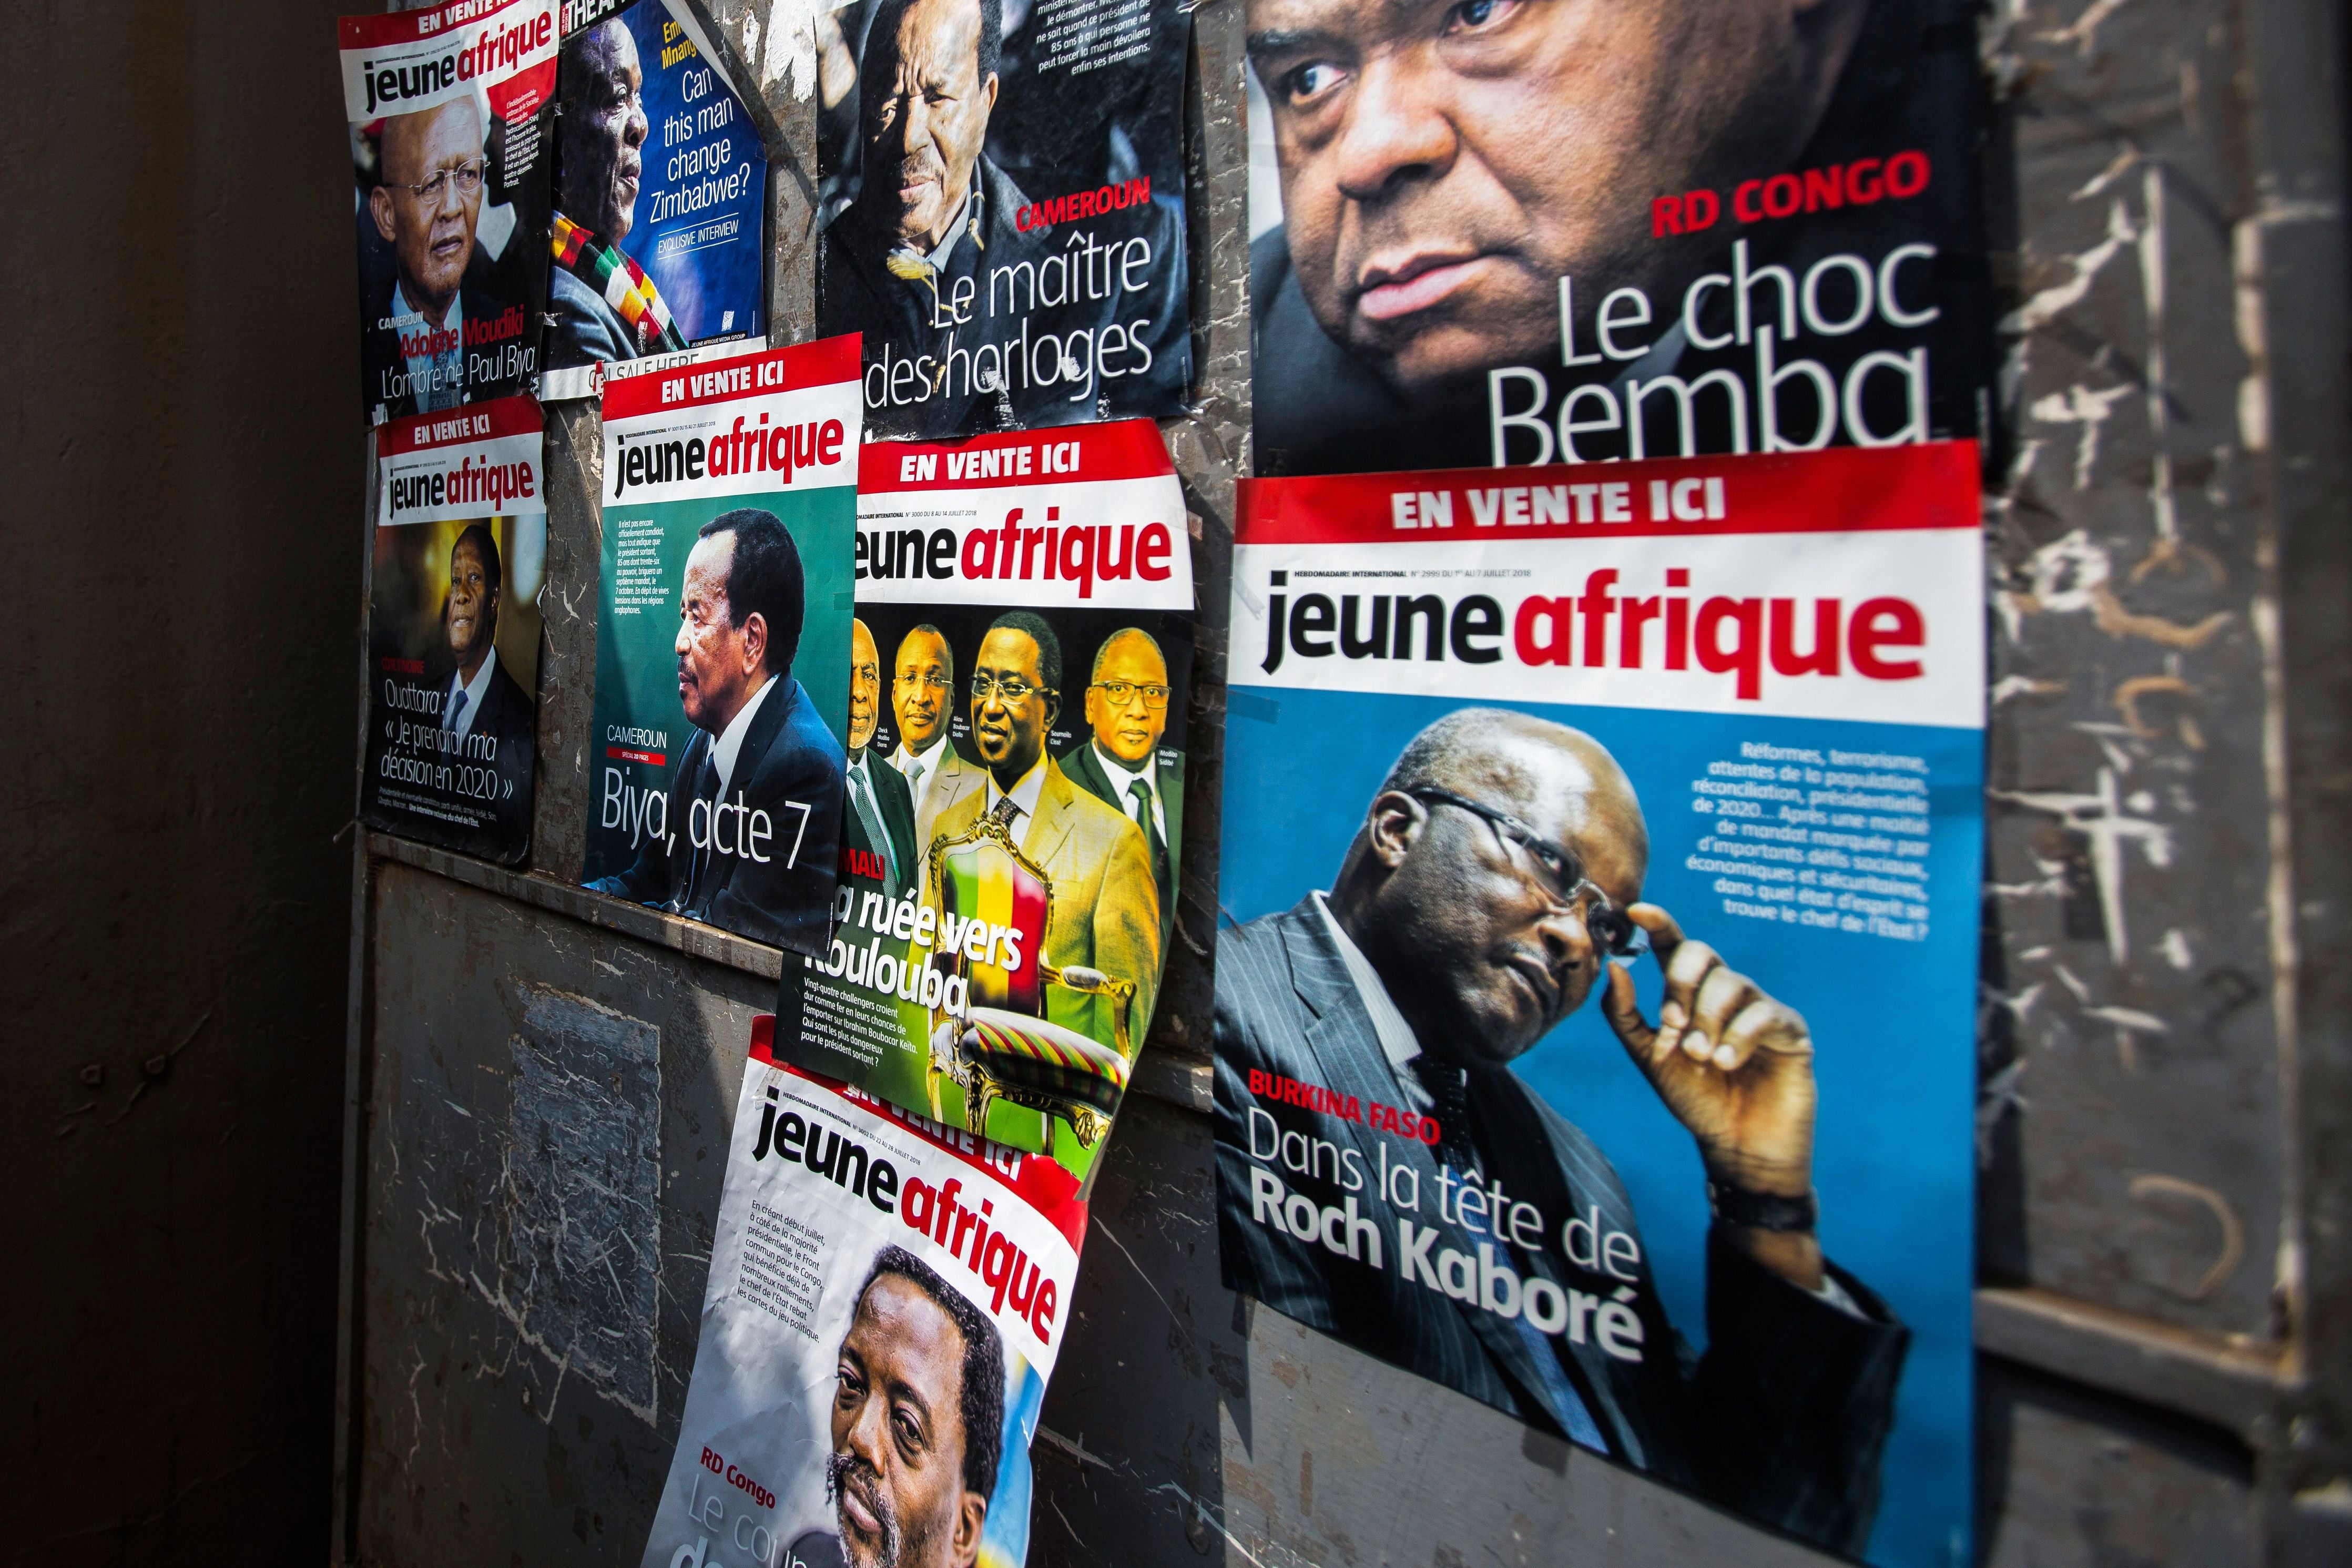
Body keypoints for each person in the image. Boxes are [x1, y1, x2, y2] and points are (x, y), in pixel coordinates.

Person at [1214, 708, 1906, 1555]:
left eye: (1609, 924)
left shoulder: (1577, 1174)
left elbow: (1769, 1520)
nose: (1579, 939)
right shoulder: (1237, 1020)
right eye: (1550, 865)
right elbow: (1301, 1474)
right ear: (1397, 829)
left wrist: (1764, 1199)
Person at [1247, 0, 1977, 473]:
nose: (1367, 154)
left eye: (1481, 11)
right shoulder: (1267, 356)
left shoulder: (2001, 264)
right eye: (1308, 78)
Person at [817, 0, 1186, 435]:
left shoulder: (1133, 247)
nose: (908, 138)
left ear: (985, 101)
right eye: (887, 104)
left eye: (937, 98)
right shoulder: (821, 282)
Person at [586, 510, 845, 953]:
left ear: (752, 642)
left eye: (697, 616)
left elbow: (726, 937)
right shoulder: (705, 743)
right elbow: (649, 877)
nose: (679, 641)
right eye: (682, 615)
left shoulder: (807, 769)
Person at [925, 613, 1160, 1046]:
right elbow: (922, 982)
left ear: (1050, 710)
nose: (991, 705)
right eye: (982, 684)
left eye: (1012, 688)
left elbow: (1122, 1040)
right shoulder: (949, 827)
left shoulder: (1115, 844)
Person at [786, 1246, 1003, 1568]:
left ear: (965, 1530)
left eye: (907, 1426)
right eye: (851, 1383)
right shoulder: (809, 1557)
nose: (860, 1436)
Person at [549, 17, 688, 370]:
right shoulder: (570, 310)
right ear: (560, 136)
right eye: (617, 98)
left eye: (637, 96)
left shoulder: (621, 285)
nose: (641, 125)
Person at [360, 97, 502, 418]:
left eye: (467, 175)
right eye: (431, 184)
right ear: (386, 215)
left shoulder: (510, 331)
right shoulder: (361, 349)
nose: (452, 207)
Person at [1060, 628, 1183, 949]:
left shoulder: (1195, 779)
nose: (1138, 710)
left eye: (1153, 693)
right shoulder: (1055, 789)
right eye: (1119, 689)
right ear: (1090, 705)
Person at [440, 524, 537, 848]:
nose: (462, 593)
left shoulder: (521, 721)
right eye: (456, 581)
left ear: (495, 598)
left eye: (474, 578)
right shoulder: (425, 697)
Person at [889, 625, 986, 850]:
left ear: (951, 699)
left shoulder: (984, 790)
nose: (921, 697)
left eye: (934, 679)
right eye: (910, 677)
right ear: (894, 695)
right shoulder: (863, 780)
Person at [847, 618, 920, 898]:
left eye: (869, 675)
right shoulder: (807, 779)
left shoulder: (899, 785)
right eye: (848, 673)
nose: (860, 692)